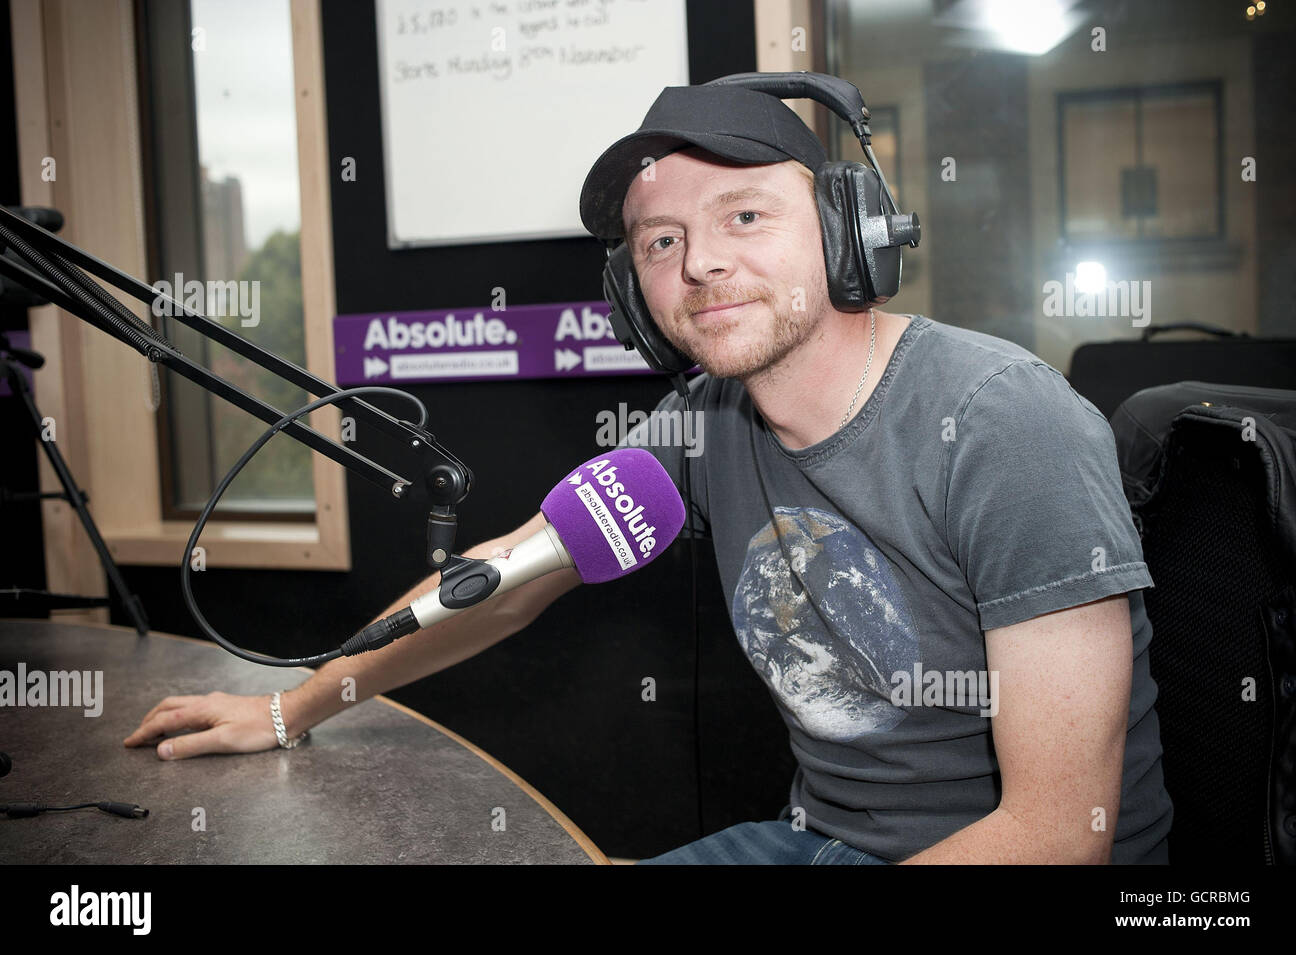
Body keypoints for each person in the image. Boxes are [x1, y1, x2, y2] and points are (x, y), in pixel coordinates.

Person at [126, 82, 1174, 865]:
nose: (701, 263)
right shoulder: (704, 423)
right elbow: (507, 581)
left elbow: (1055, 833)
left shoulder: (1004, 423)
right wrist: (285, 710)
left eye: (745, 217)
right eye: (662, 241)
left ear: (851, 230)